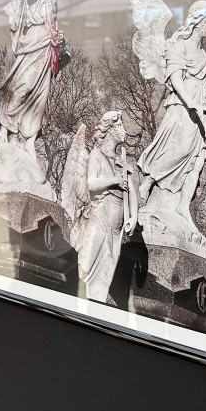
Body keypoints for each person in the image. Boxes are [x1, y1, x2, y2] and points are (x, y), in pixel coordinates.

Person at [137, 0, 206, 245]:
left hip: (201, 114)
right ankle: (149, 181)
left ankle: (182, 209)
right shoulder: (178, 46)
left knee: (197, 161)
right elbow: (175, 78)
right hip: (182, 109)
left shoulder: (202, 54)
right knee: (178, 149)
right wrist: (192, 103)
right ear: (196, 21)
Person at [0, 0, 64, 164]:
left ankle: (27, 139)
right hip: (34, 43)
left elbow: (53, 22)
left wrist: (60, 41)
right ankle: (5, 131)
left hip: (47, 48)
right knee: (23, 86)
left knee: (40, 97)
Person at [75, 112, 136, 304]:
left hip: (117, 226)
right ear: (109, 129)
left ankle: (97, 305)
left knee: (107, 268)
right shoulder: (97, 154)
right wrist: (114, 181)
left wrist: (133, 216)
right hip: (101, 214)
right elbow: (91, 184)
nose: (124, 131)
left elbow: (132, 191)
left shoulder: (122, 161)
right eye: (120, 127)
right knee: (87, 263)